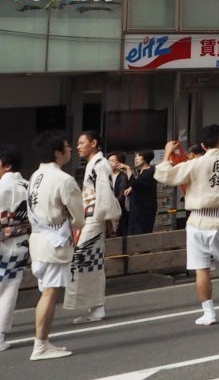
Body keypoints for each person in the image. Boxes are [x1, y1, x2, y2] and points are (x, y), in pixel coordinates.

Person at [154, 126, 219, 327]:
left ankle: (208, 312)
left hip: (196, 220)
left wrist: (167, 153)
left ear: (202, 145)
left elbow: (164, 176)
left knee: (201, 269)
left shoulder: (195, 164)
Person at [26, 133, 84, 359]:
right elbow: (79, 218)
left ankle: (44, 342)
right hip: (55, 242)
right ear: (58, 152)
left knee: (47, 292)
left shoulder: (35, 175)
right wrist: (74, 222)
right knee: (49, 294)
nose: (71, 150)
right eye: (68, 147)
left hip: (38, 240)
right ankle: (40, 345)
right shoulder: (64, 179)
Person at [68, 128, 118, 325]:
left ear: (94, 143)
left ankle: (97, 307)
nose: (78, 146)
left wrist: (105, 218)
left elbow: (104, 193)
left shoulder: (100, 164)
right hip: (91, 217)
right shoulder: (95, 164)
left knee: (86, 258)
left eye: (82, 143)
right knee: (88, 260)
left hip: (95, 218)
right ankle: (95, 306)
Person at [0, 146, 29, 352]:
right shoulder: (28, 185)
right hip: (22, 242)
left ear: (7, 165)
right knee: (10, 287)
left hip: (3, 241)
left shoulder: (3, 186)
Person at [127, 151, 158, 237]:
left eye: (139, 156)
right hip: (138, 208)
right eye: (136, 157)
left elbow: (136, 184)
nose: (136, 158)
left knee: (142, 233)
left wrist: (128, 170)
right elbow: (139, 185)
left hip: (145, 209)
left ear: (146, 158)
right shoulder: (141, 171)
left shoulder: (149, 171)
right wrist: (131, 188)